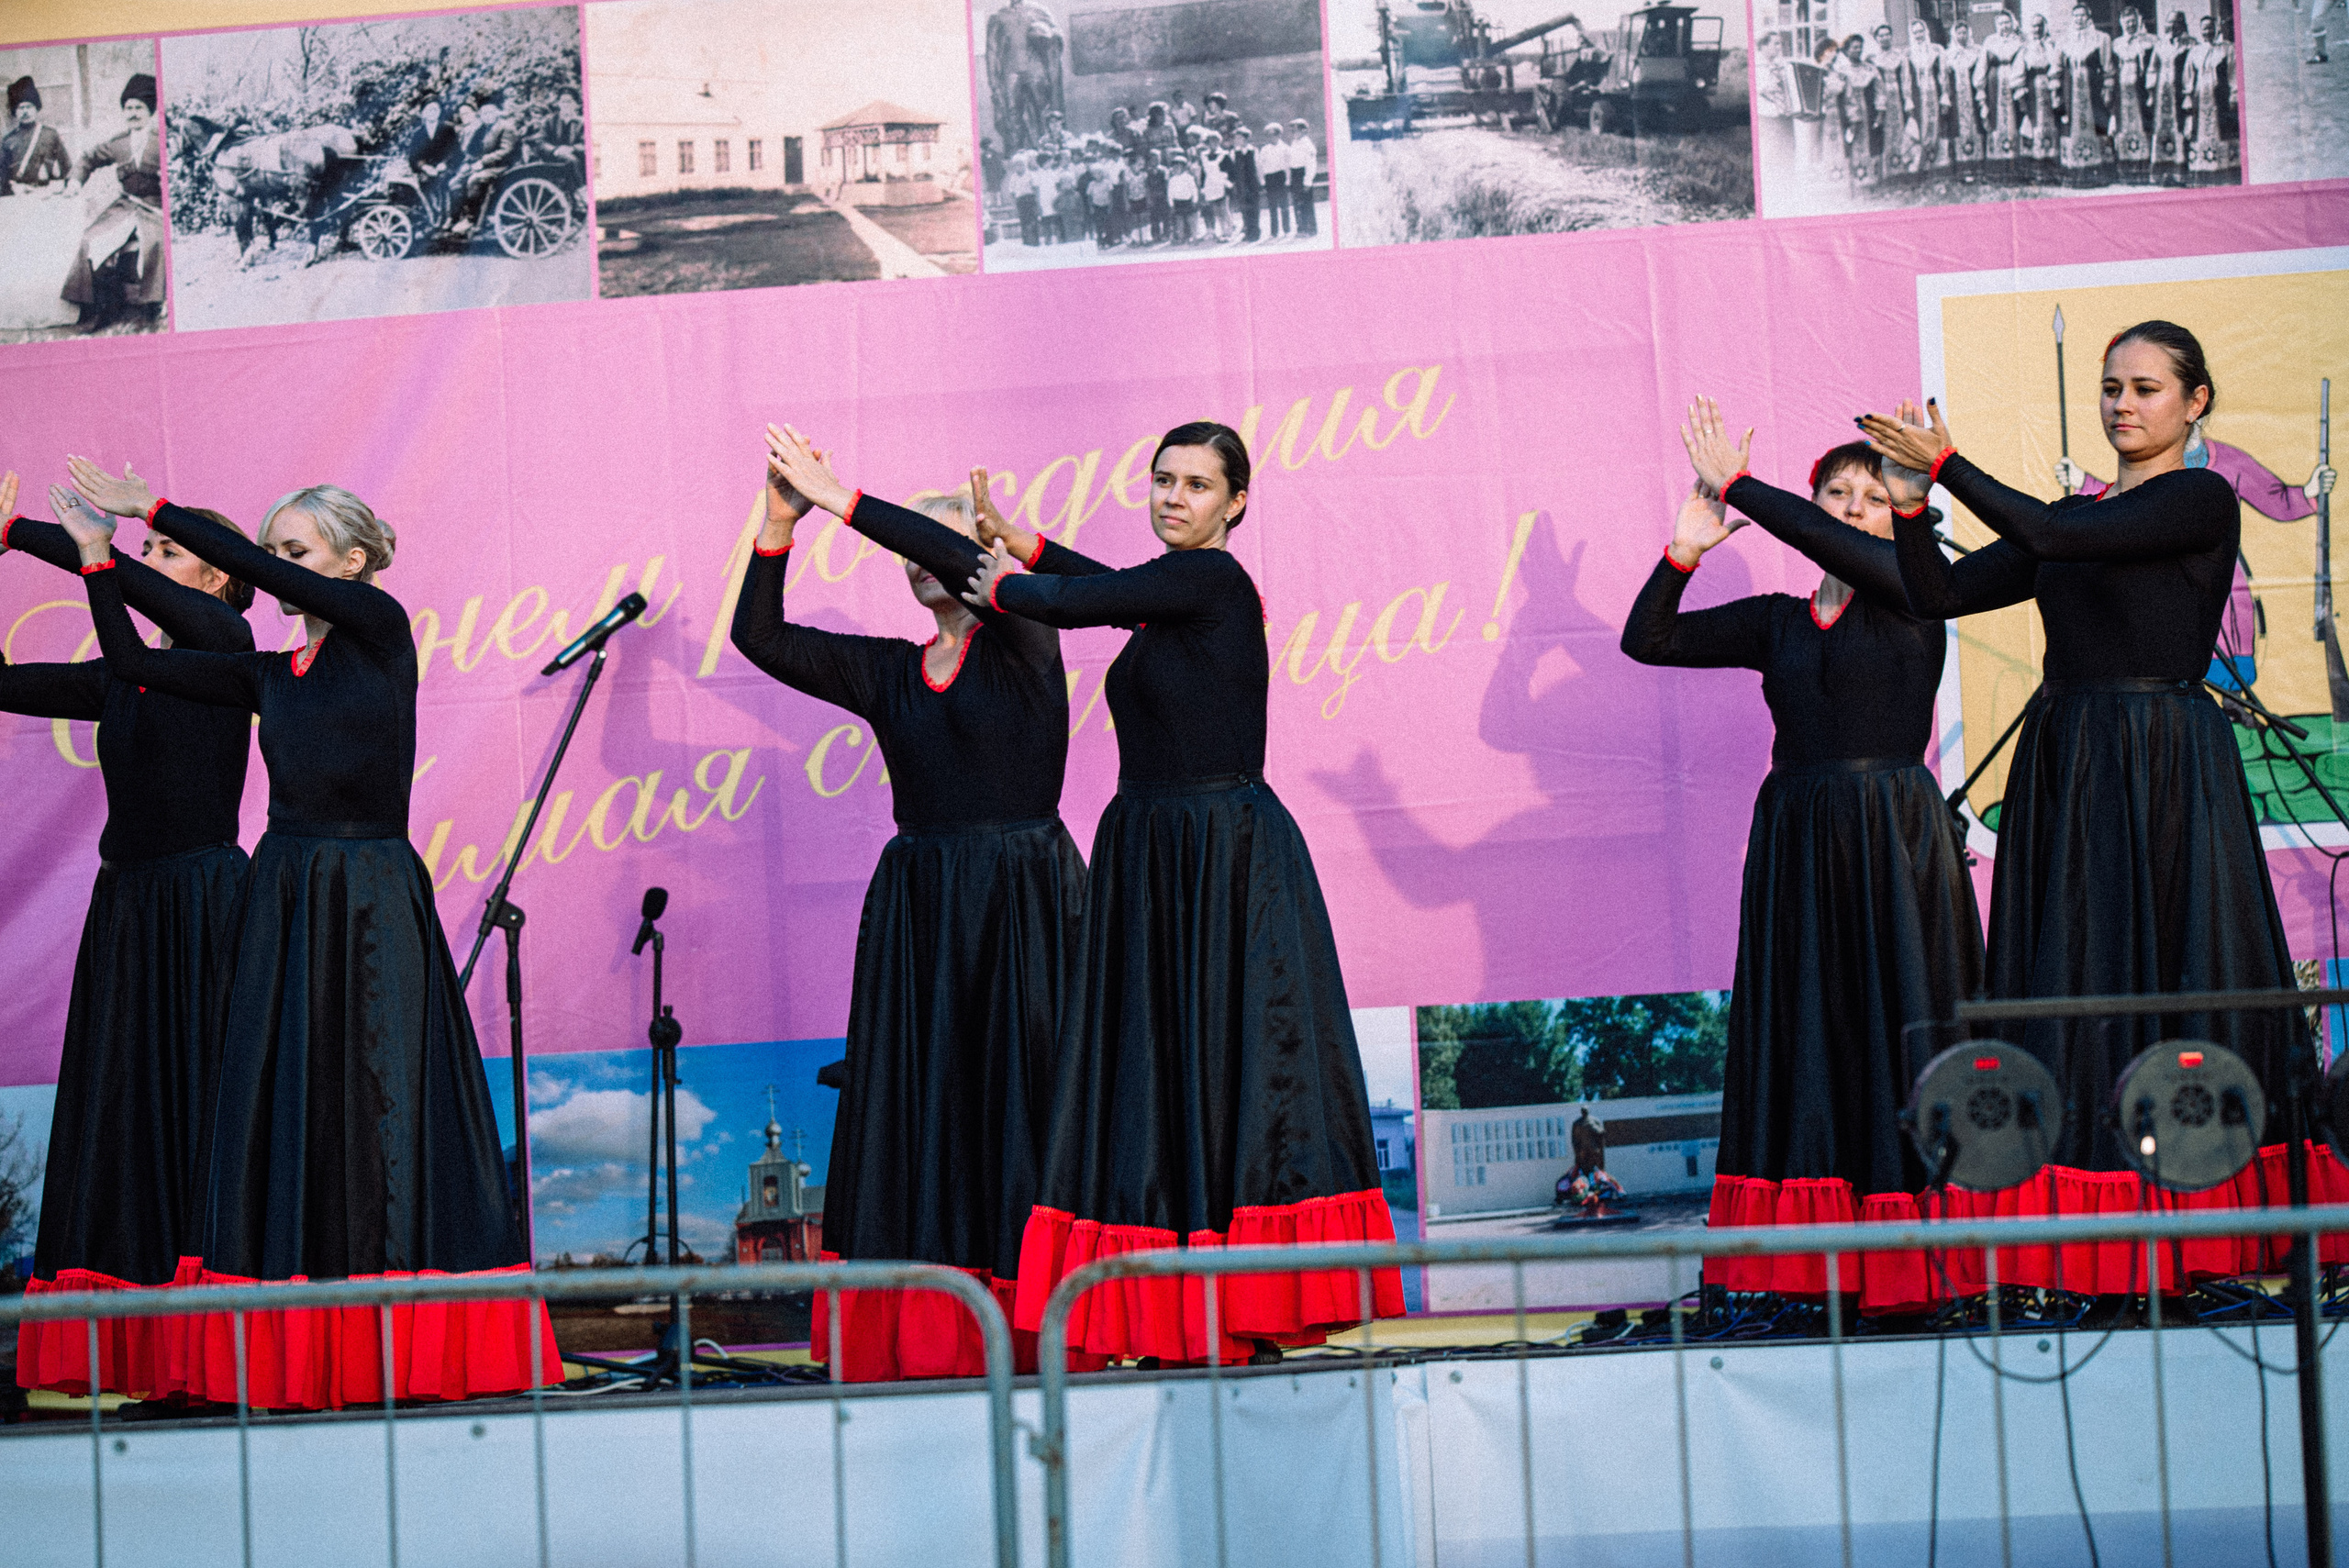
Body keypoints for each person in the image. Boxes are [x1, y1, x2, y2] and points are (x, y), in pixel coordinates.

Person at [61, 459, 552, 1410]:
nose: (278, 567)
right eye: (274, 548)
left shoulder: (379, 632)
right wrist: (93, 560)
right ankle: (295, 1348)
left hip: (367, 892)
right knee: (284, 1109)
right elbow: (132, 664)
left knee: (382, 1103)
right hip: (284, 892)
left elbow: (271, 580)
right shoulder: (266, 670)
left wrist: (155, 513)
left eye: (297, 550)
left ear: (355, 561)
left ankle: (402, 1335)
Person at [1865, 322, 2302, 1295]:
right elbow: (1934, 591)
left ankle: (2202, 1240)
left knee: (2177, 977)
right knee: (2073, 972)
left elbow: (2061, 537)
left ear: (2195, 403)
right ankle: (2076, 1237)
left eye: (2145, 387)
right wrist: (1908, 503)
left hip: (2161, 757)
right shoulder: (2071, 513)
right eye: (2110, 387)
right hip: (2069, 764)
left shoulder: (2197, 497)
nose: (2120, 404)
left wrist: (1948, 461)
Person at [965, 422, 1405, 1365]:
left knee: (1224, 1072)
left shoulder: (1212, 582)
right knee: (1170, 1077)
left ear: (1235, 502)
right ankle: (1184, 1313)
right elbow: (1108, 590)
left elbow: (1081, 601)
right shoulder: (1174, 595)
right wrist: (1024, 541)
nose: (1172, 496)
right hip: (1164, 856)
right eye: (1162, 480)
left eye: (1196, 485)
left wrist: (993, 573)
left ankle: (1240, 1309)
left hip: (1220, 859)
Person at [745, 429, 1087, 1381]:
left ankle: (1039, 1325)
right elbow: (759, 638)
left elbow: (956, 558)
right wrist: (779, 523)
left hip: (1024, 903)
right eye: (911, 552)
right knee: (928, 1108)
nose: (919, 563)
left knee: (1025, 1102)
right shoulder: (894, 671)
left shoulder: (1024, 638)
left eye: (937, 547)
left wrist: (840, 494)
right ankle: (934, 1328)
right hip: (923, 912)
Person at [1625, 408, 1983, 1316]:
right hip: (1798, 840)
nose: (1855, 510)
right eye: (1838, 494)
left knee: (1904, 1030)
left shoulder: (1915, 591)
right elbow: (1649, 639)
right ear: (1815, 501)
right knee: (1809, 1039)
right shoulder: (1777, 621)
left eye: (1873, 496)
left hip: (1894, 840)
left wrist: (1744, 484)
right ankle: (1804, 1269)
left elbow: (1865, 548)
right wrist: (1683, 550)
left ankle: (1925, 1267)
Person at [7, 481, 257, 1399]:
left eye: (170, 555)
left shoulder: (230, 650)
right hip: (130, 914)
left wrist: (60, 542)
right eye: (148, 557)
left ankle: (216, 1345)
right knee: (128, 1115)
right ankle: (141, 1345)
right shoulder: (124, 674)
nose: (149, 568)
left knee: (198, 1114)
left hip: (203, 908)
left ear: (223, 584)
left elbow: (144, 596)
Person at [61, 73, 164, 329]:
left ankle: (151, 308)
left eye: (139, 107)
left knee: (158, 243)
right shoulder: (118, 143)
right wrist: (75, 181)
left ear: (150, 110)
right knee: (90, 239)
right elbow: (88, 159)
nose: (133, 113)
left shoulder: (163, 140)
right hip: (126, 205)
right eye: (128, 108)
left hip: (156, 207)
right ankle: (97, 308)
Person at [2054, 2, 2118, 186]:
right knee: (2072, 127)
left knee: (2097, 126)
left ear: (2088, 18)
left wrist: (2108, 88)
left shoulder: (2101, 38)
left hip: (2094, 89)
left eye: (2082, 16)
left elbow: (2108, 67)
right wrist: (2056, 92)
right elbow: (2057, 67)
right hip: (2070, 90)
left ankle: (2099, 173)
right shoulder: (2064, 40)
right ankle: (2075, 174)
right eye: (2076, 16)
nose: (2079, 19)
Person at [450, 88, 518, 239]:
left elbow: (505, 151)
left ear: (497, 112)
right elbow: (475, 150)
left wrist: (482, 162)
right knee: (455, 182)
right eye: (484, 113)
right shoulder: (483, 128)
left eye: (490, 112)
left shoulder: (506, 127)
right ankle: (459, 216)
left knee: (475, 179)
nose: (486, 116)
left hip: (502, 166)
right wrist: (469, 163)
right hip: (485, 165)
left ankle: (471, 219)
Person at [2183, 10, 2238, 185]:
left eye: (2210, 28)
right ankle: (2203, 173)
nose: (2207, 32)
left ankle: (2224, 174)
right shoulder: (2195, 51)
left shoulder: (2227, 49)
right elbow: (2188, 75)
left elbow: (2232, 73)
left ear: (2216, 28)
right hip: (2200, 98)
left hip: (2220, 98)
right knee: (2199, 134)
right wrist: (2188, 97)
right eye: (2204, 29)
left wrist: (2234, 94)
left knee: (2222, 132)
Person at [2110, 6, 2159, 182]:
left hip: (2141, 89)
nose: (2130, 24)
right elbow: (2111, 68)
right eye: (2127, 21)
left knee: (2143, 125)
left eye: (2133, 21)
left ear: (2139, 21)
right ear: (2122, 23)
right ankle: (2126, 171)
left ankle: (2144, 170)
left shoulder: (2150, 41)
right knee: (2123, 127)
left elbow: (2154, 67)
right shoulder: (2117, 44)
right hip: (2122, 90)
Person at [1980, 9, 2027, 183]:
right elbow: (1982, 66)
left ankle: (2016, 167)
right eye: (2000, 23)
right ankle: (1997, 168)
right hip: (1994, 85)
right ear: (1996, 25)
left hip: (2014, 84)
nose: (2004, 26)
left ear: (2012, 23)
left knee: (2015, 121)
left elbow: (2023, 61)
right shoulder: (1990, 42)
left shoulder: (2019, 41)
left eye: (2007, 22)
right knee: (1996, 122)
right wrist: (1981, 92)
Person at [0, 77, 68, 195]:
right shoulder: (8, 141)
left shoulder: (51, 135)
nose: (25, 112)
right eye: (21, 108)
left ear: (36, 109)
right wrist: (13, 190)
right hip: (19, 198)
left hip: (48, 195)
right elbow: (3, 178)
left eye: (29, 107)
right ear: (15, 112)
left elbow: (67, 168)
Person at [2018, 13, 2063, 183]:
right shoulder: (2026, 47)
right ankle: (2037, 171)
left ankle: (2053, 168)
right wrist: (2022, 94)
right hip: (2033, 87)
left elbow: (2058, 66)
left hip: (2051, 87)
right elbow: (2019, 70)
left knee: (2052, 125)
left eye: (2040, 26)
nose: (2037, 29)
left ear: (2045, 27)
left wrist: (2056, 88)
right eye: (2034, 26)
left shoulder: (2053, 45)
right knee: (2034, 126)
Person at [2151, 10, 2193, 184]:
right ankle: (2163, 173)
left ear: (2182, 25)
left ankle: (2180, 174)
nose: (2171, 27)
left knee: (2181, 130)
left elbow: (2191, 70)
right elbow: (2152, 68)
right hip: (2162, 96)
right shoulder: (2160, 45)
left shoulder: (2190, 45)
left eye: (2175, 23)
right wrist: (2151, 92)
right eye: (2168, 23)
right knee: (2162, 130)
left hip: (2179, 94)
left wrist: (2189, 94)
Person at [1943, 19, 1987, 180]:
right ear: (1954, 35)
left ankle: (1978, 166)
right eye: (1959, 33)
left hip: (1973, 97)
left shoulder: (1976, 51)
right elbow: (1945, 78)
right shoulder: (1948, 55)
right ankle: (1962, 168)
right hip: (1956, 99)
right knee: (1957, 128)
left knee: (1976, 126)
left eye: (1964, 33)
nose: (1962, 36)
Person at [1285, 119, 1319, 237]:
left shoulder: (1307, 144)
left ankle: (1310, 229)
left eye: (1296, 130)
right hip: (1295, 174)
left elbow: (1311, 164)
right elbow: (1291, 162)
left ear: (1304, 131)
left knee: (1306, 203)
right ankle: (1301, 228)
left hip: (1303, 174)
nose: (1294, 133)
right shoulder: (1294, 143)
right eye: (1292, 131)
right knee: (1297, 203)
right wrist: (1289, 179)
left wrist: (1308, 180)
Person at [1228, 126, 1262, 241]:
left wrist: (1261, 182)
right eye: (1235, 138)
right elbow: (1232, 169)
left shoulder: (1253, 151)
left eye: (1239, 138)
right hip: (1241, 184)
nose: (1236, 140)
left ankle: (1255, 232)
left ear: (1245, 139)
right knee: (1244, 208)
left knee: (1254, 207)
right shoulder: (1233, 153)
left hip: (1252, 184)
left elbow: (1258, 167)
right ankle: (1247, 231)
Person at [1259, 122, 1290, 236]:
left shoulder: (1285, 148)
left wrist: (1287, 180)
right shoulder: (1264, 150)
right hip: (1270, 178)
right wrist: (1262, 180)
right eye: (1269, 135)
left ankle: (1287, 229)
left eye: (1274, 134)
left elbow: (1288, 165)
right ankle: (1274, 231)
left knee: (1284, 205)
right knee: (1272, 206)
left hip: (1281, 177)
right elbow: (1261, 166)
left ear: (1279, 135)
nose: (1272, 137)